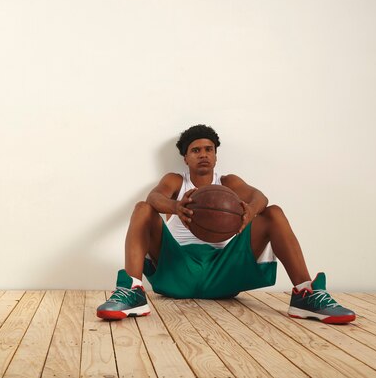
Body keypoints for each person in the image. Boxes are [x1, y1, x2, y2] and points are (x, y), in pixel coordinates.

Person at [97, 124, 355, 324]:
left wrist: (249, 212)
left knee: (273, 212)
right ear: (186, 158)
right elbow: (155, 197)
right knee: (143, 207)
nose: (203, 155)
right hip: (177, 269)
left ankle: (304, 294)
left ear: (216, 156)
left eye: (209, 149)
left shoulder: (228, 182)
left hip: (223, 271)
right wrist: (176, 207)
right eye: (196, 150)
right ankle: (131, 290)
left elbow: (259, 197)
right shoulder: (177, 180)